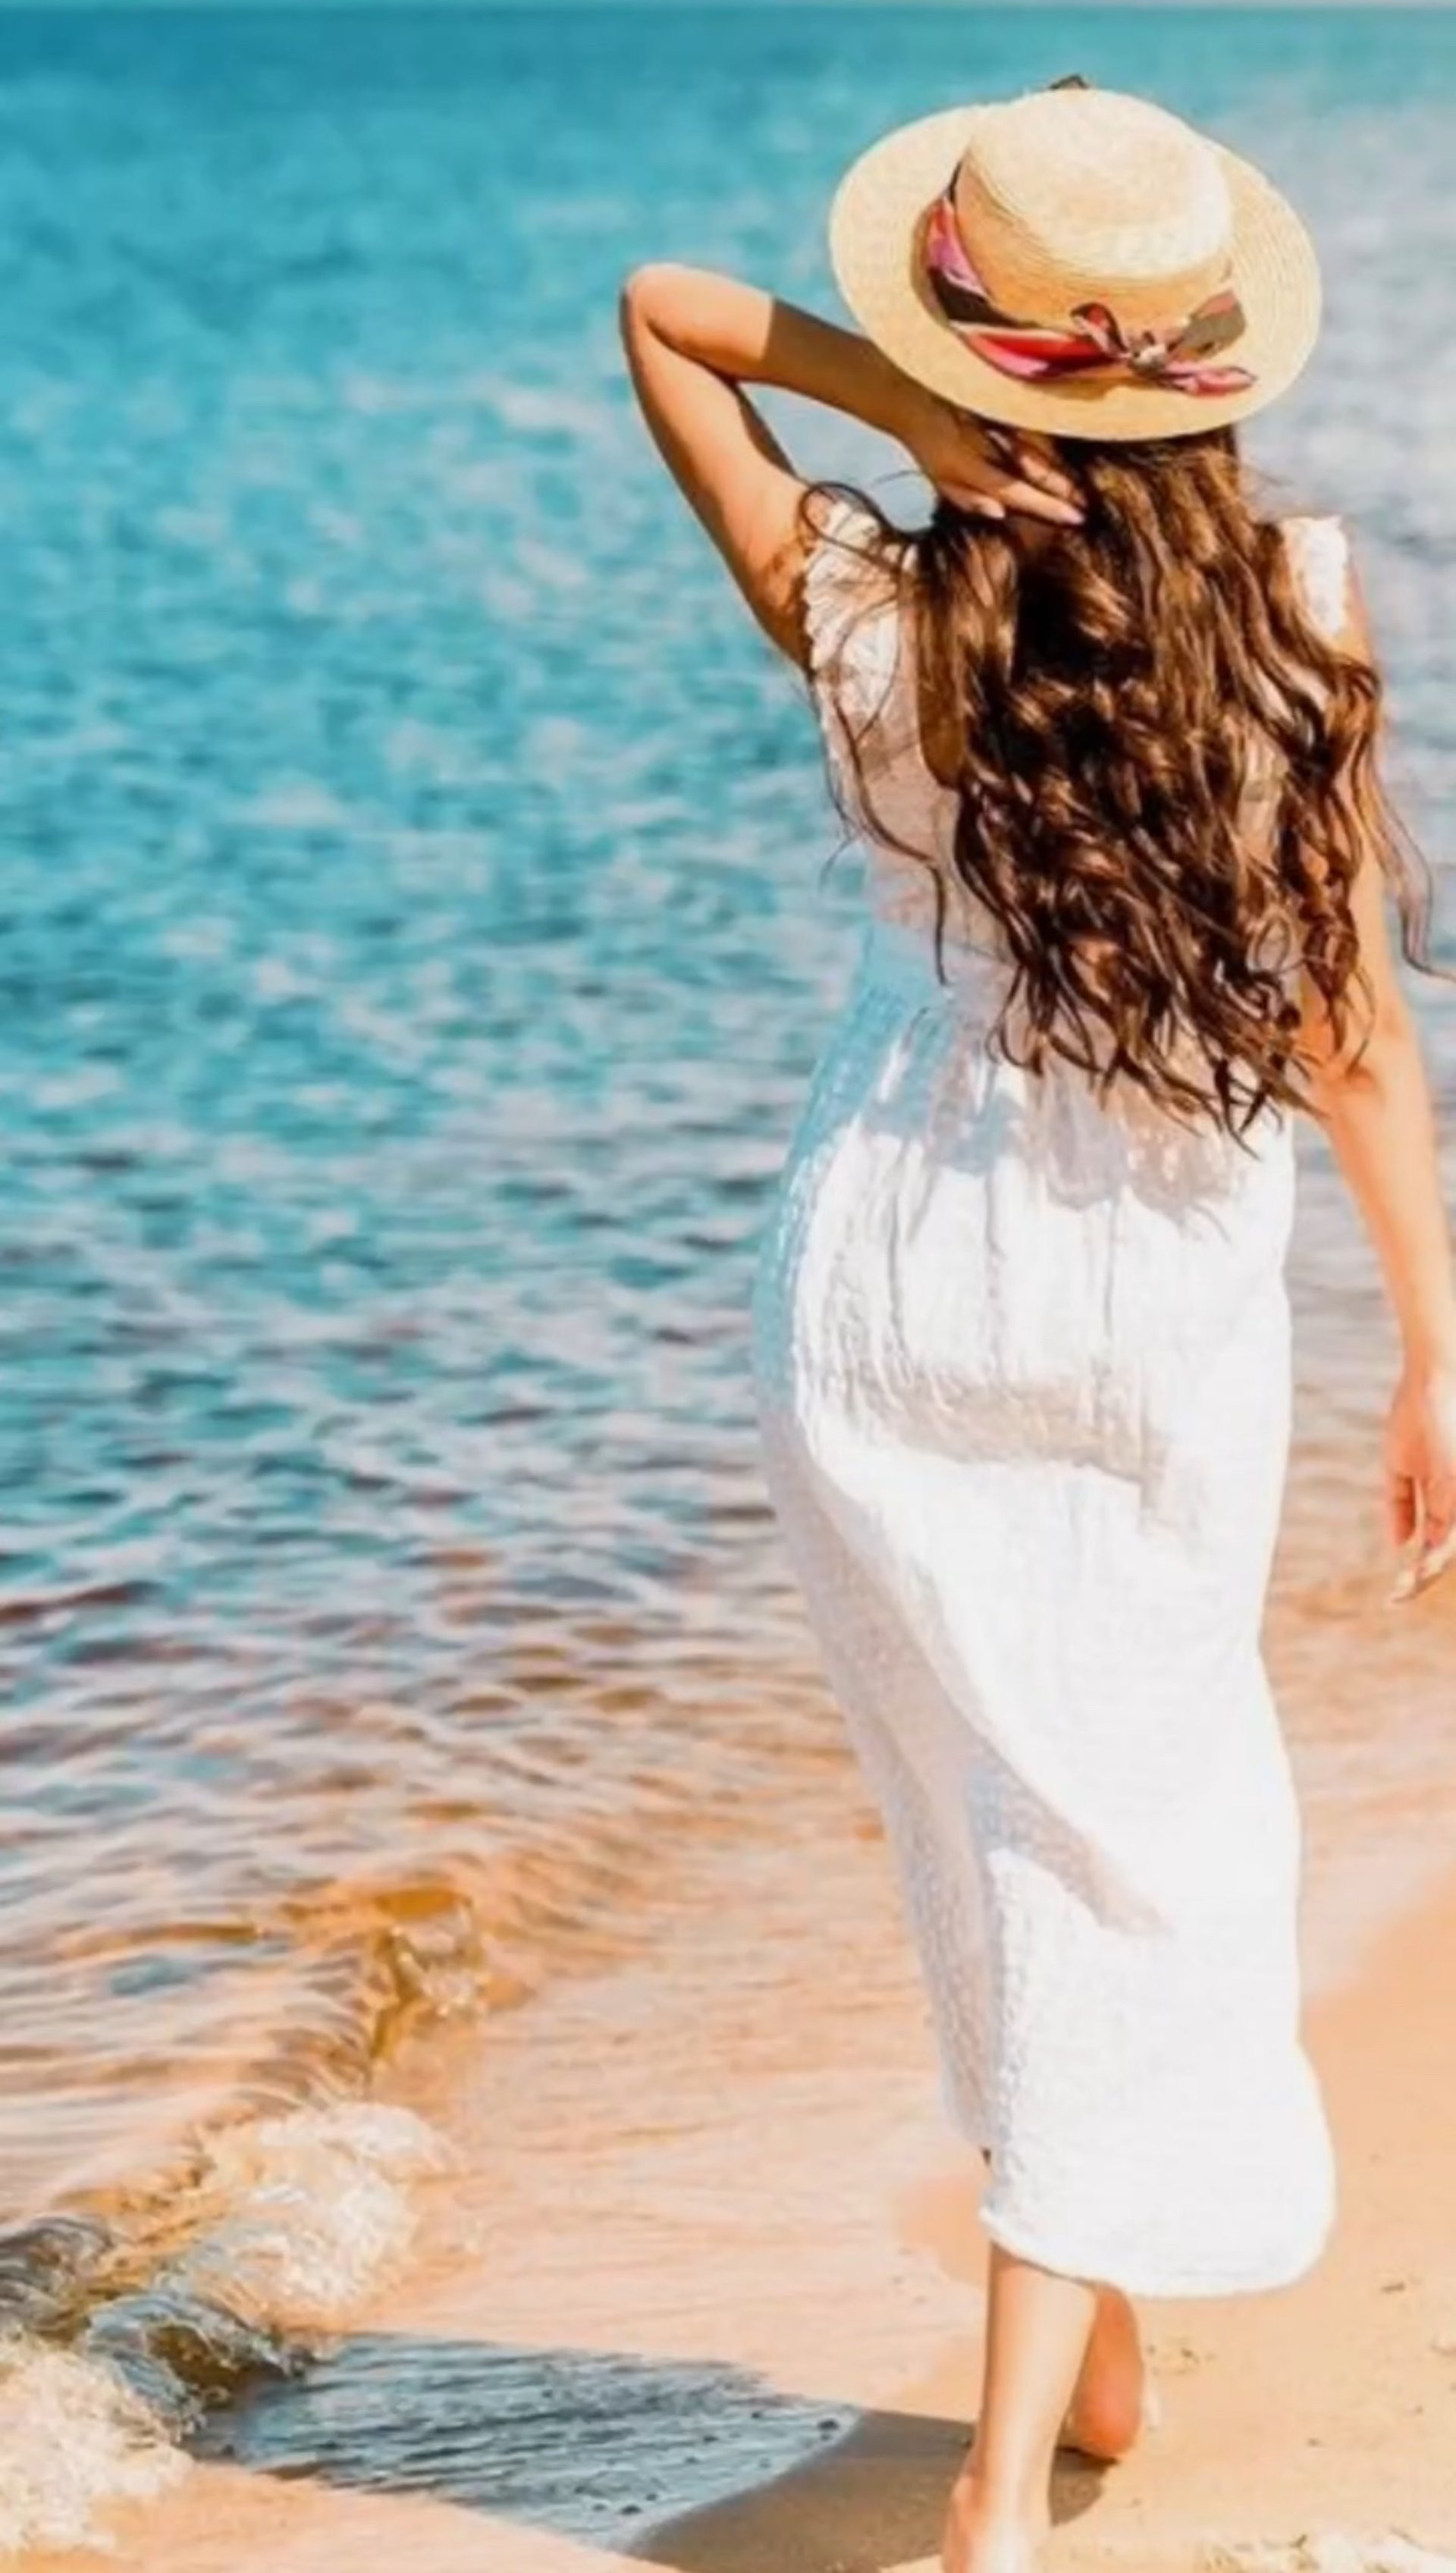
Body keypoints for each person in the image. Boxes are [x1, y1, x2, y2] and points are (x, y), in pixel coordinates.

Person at [619, 77, 1456, 2573]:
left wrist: (929, 429)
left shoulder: (878, 607)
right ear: (1202, 367)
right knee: (1133, 1836)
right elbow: (1352, 1028)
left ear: (987, 355)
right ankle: (999, 2491)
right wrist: (1437, 1340)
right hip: (1135, 1301)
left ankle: (1091, 2351)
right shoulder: (1297, 604)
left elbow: (664, 321)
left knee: (984, 1813)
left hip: (876, 1280)